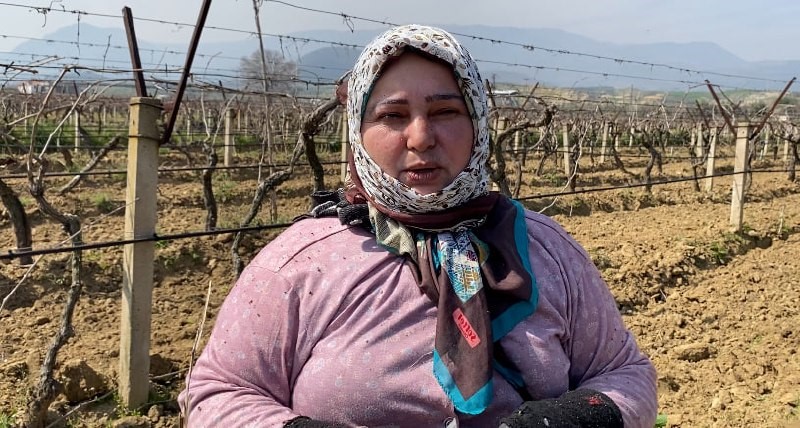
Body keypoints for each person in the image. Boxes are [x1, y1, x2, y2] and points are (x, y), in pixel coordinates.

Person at [179, 25, 657, 427]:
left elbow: (625, 375)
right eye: (392, 116)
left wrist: (571, 419)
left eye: (446, 112)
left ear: (478, 123)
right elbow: (218, 393)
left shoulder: (547, 250)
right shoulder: (301, 264)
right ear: (358, 132)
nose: (421, 137)